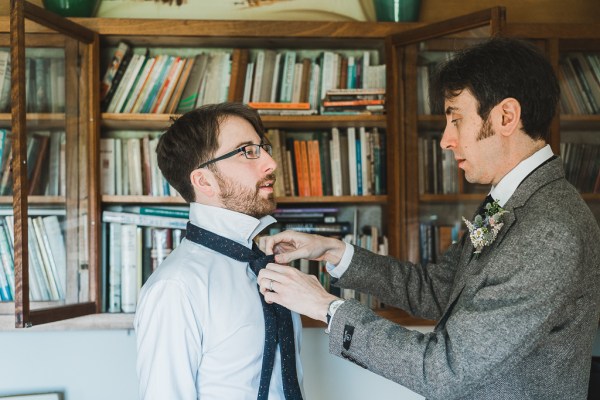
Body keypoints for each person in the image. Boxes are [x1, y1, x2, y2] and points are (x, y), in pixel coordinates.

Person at [257, 37, 600, 399]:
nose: (446, 140)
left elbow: (444, 369)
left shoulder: (549, 231)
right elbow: (439, 292)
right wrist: (335, 253)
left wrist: (325, 307)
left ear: (506, 117)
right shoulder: (511, 201)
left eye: (456, 119)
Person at [134, 102, 304, 400]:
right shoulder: (176, 288)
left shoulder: (271, 269)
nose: (271, 163)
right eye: (247, 151)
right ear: (203, 181)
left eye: (263, 148)